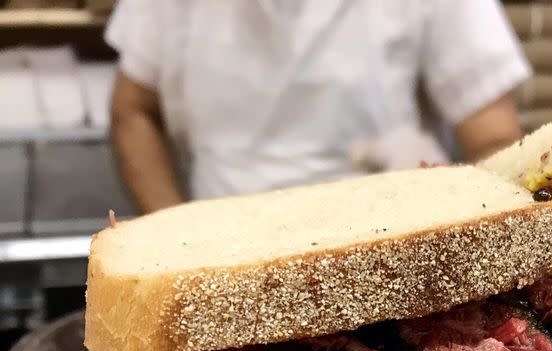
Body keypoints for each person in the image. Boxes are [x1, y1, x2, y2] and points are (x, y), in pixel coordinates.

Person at [105, 0, 529, 213]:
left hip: (387, 253)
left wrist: (451, 200)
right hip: (218, 251)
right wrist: (172, 237)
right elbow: (133, 111)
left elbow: (493, 136)